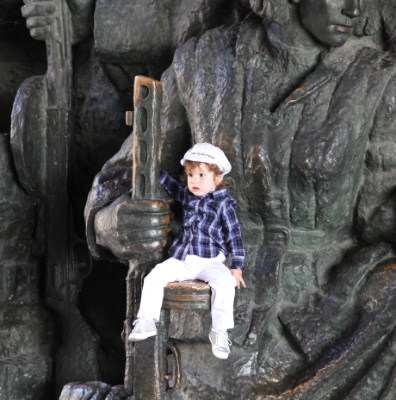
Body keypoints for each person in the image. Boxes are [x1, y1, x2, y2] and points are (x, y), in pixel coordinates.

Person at [86, 0, 396, 398]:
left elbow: (376, 215)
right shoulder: (203, 63)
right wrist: (114, 222)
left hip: (331, 318)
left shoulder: (376, 79)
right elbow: (119, 176)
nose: (355, 9)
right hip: (209, 323)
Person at [128, 143, 246, 360]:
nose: (194, 180)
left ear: (217, 178)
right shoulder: (188, 196)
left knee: (226, 283)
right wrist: (149, 167)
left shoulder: (224, 204)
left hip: (211, 262)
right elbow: (172, 185)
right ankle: (146, 320)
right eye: (191, 175)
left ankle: (219, 331)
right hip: (183, 259)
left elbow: (234, 235)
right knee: (155, 276)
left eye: (202, 175)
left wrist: (237, 266)